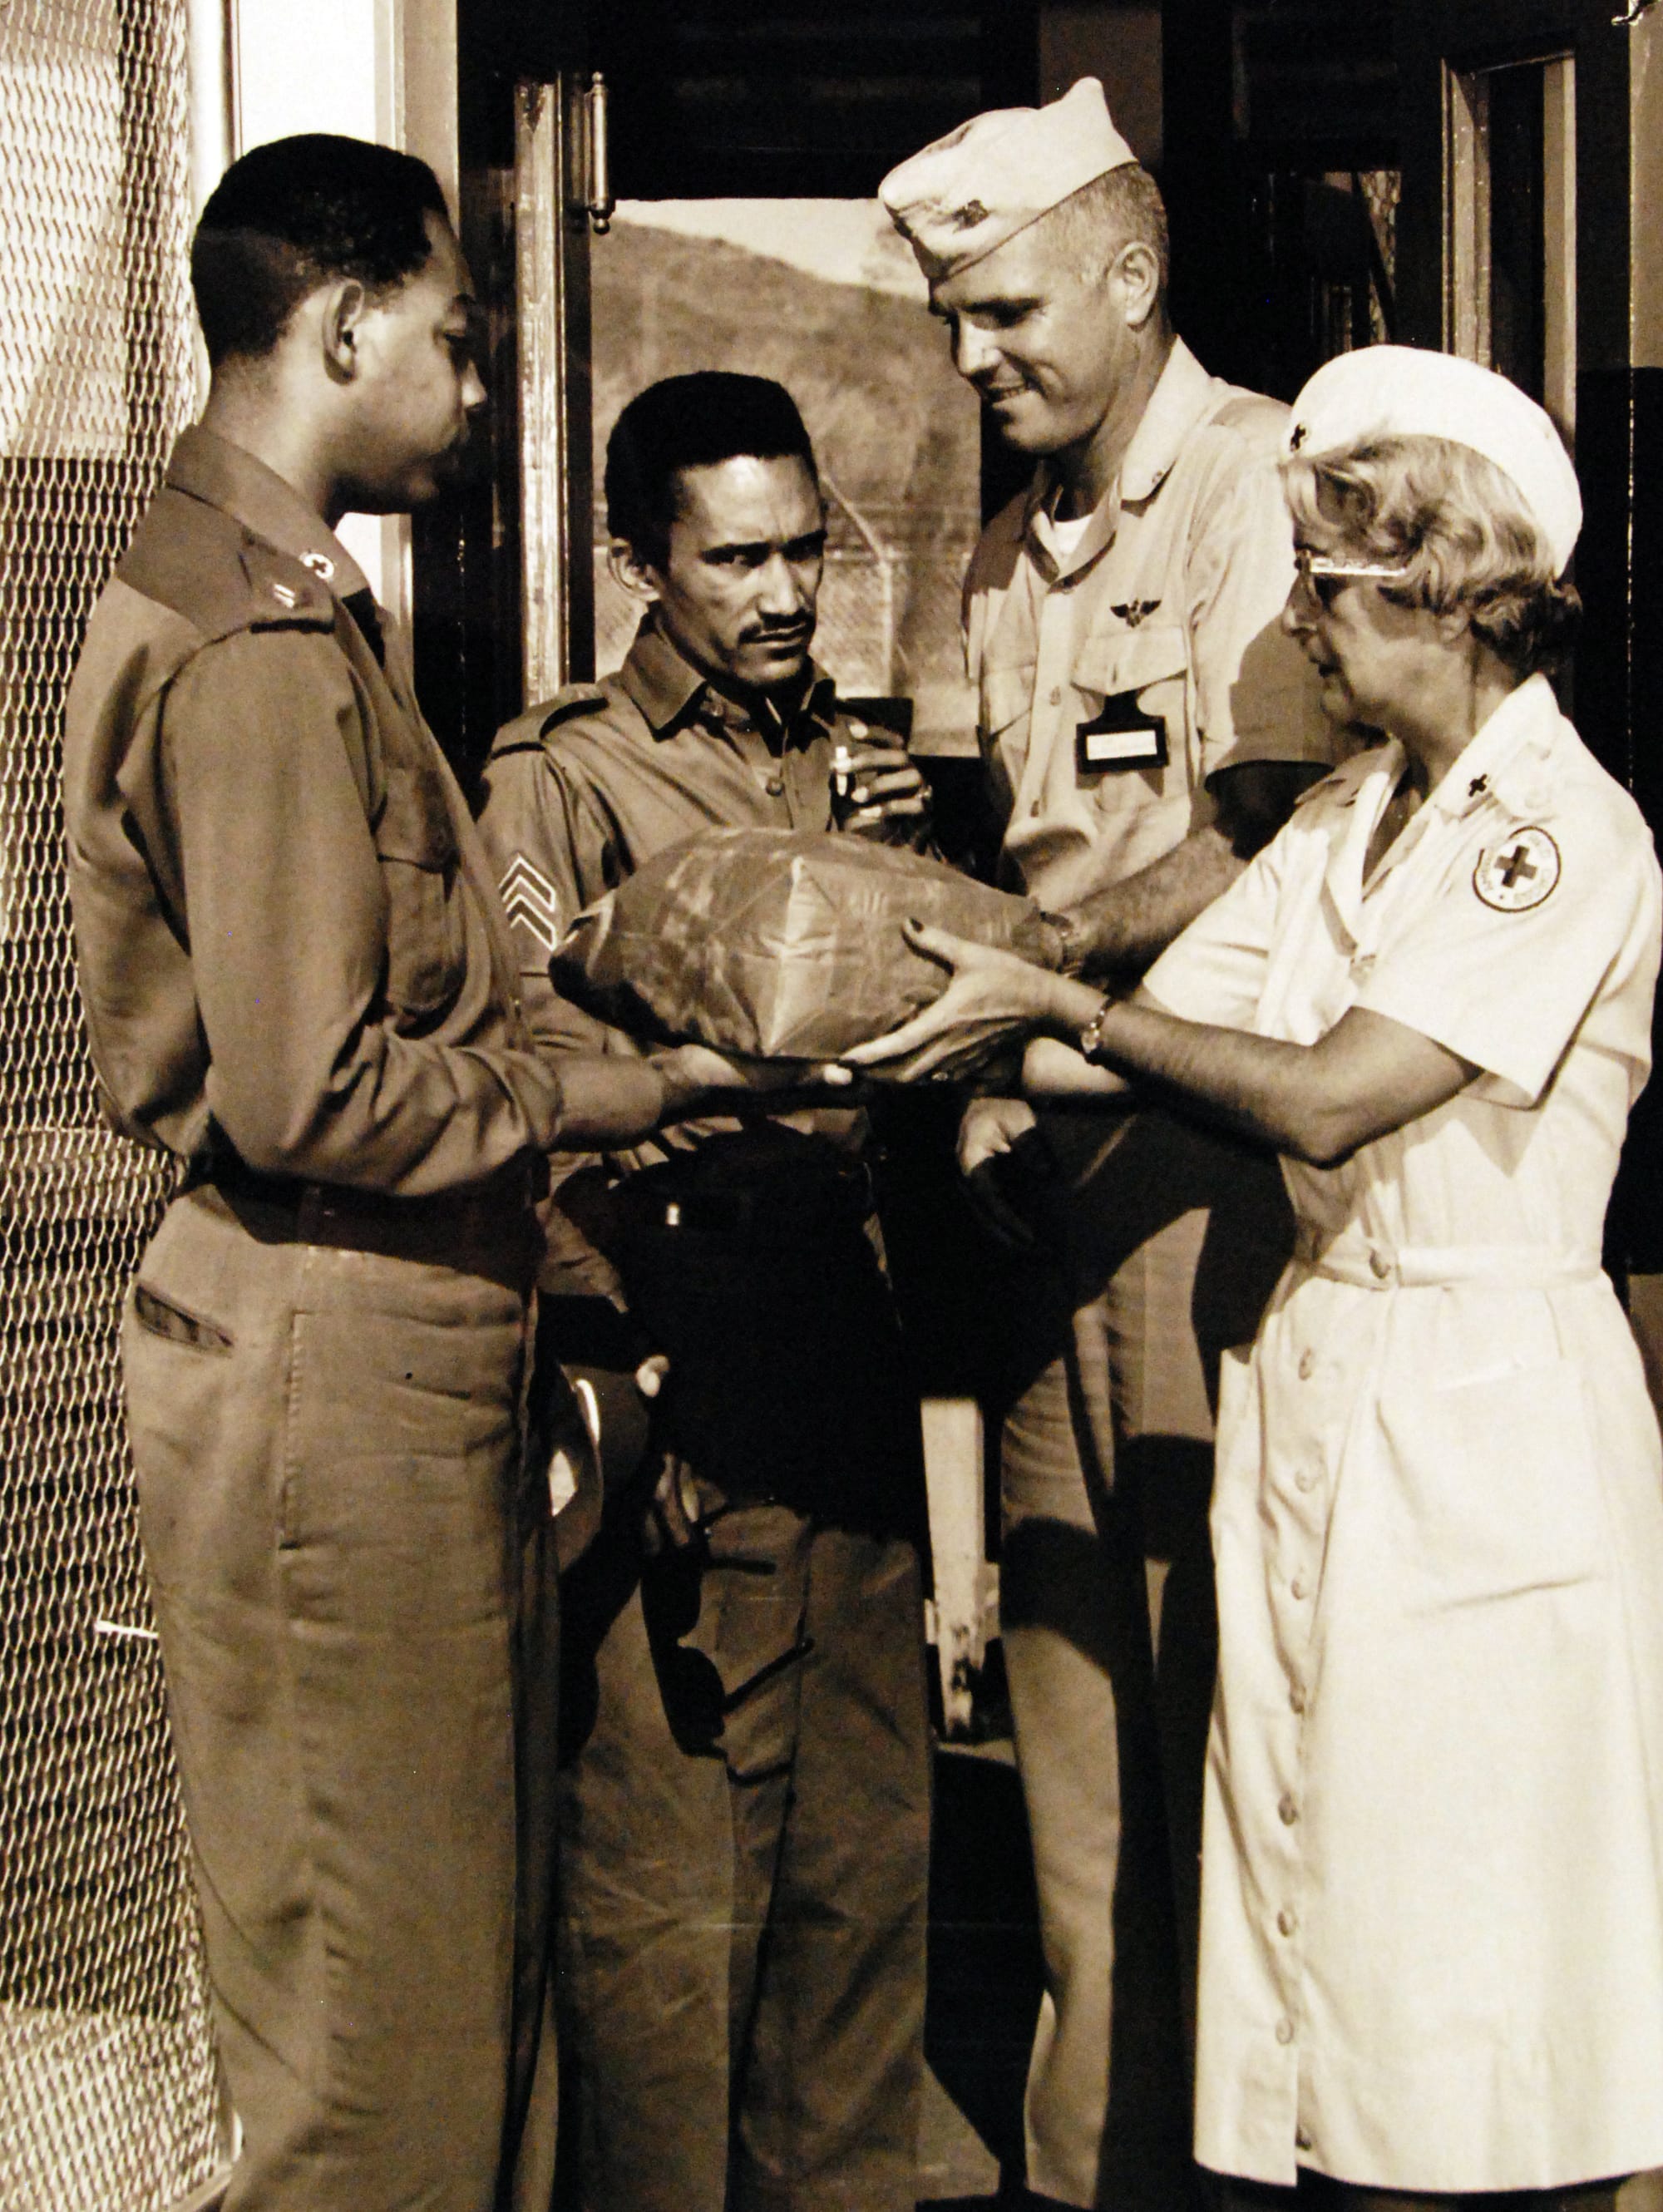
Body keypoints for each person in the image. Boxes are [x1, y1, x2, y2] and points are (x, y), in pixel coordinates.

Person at [850, 344, 1663, 2212]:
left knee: (1472, 1984)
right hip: (1331, 1401)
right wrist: (899, 1021)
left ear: (1457, 598)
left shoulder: (1558, 839)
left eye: (1337, 589)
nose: (1301, 622)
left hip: (1484, 1428)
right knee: (1343, 1937)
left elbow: (1317, 1099)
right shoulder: (1343, 819)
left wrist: (1051, 1005)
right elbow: (1135, 1029)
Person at [62, 138, 771, 2212]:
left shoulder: (287, 600)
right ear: (343, 323)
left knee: (463, 1992)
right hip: (326, 1345)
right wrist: (602, 1104)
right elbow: (307, 1095)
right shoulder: (260, 647)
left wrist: (608, 1051)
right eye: (454, 341)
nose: (473, 391)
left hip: (389, 1344)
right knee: (385, 2049)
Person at [877, 75, 1345, 2210]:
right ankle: (1094, 2176)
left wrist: (1041, 960)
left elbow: (1255, 826)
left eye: (1009, 311)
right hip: (1056, 1186)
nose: (979, 360)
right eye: (956, 323)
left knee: (1222, 1751)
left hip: (1214, 1194)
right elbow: (1001, 833)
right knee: (1072, 1775)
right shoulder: (1002, 546)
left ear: (1134, 276)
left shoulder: (1270, 486)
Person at [474, 371, 933, 2212]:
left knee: (864, 1862)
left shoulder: (841, 746)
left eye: (802, 547)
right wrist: (607, 1356)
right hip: (679, 1334)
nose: (780, 590)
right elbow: (525, 1061)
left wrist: (916, 860)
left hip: (842, 1334)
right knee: (677, 1896)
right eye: (733, 554)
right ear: (634, 561)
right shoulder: (559, 772)